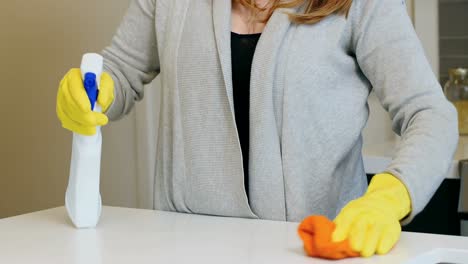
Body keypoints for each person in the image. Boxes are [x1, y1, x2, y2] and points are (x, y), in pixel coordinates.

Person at [56, 0, 458, 258]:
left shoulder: (363, 5)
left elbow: (430, 113)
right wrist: (96, 90)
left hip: (318, 251)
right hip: (184, 251)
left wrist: (389, 197)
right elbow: (120, 71)